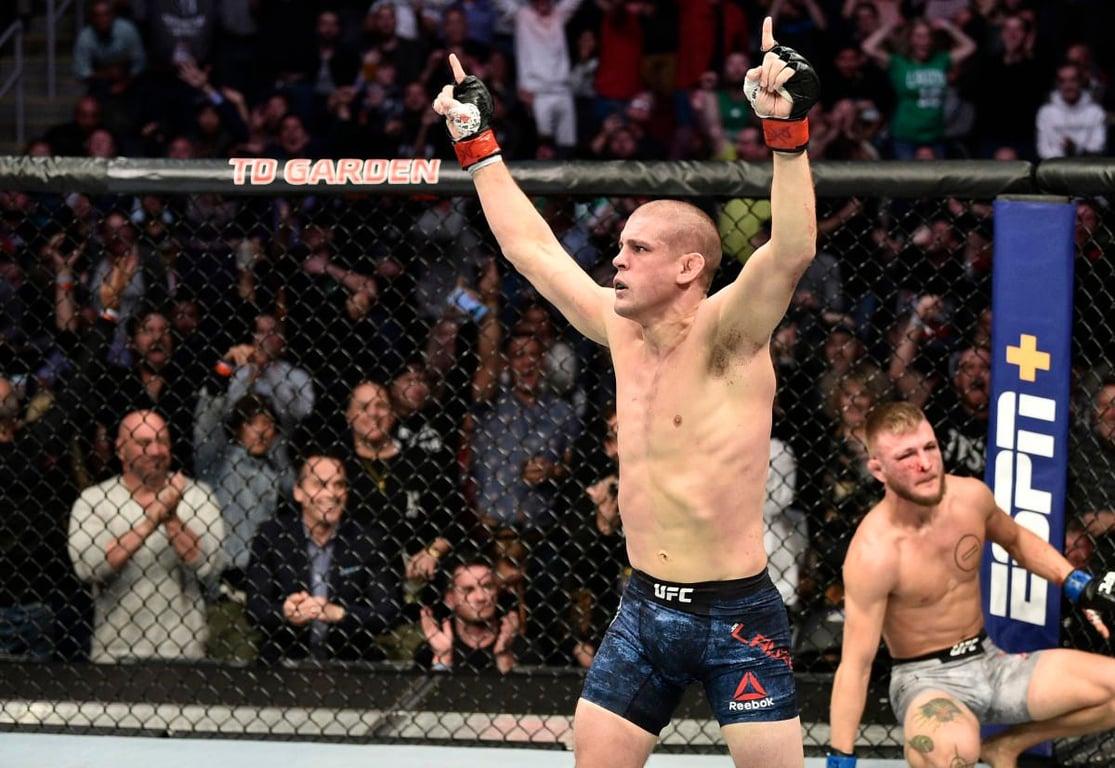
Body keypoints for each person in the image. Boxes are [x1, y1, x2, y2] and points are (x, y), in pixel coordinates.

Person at [432, 17, 819, 766]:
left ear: (686, 269)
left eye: (636, 250)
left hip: (735, 611)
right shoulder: (619, 333)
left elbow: (791, 249)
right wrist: (477, 145)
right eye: (618, 248)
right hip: (643, 608)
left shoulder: (728, 335)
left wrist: (787, 129)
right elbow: (530, 248)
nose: (616, 262)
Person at [827, 402, 1115, 768]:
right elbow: (856, 665)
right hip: (925, 679)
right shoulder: (874, 553)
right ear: (878, 470)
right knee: (956, 751)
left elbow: (1017, 540)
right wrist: (841, 758)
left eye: (929, 447)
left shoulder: (969, 498)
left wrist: (1076, 584)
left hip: (990, 660)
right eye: (906, 455)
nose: (925, 463)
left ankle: (1006, 746)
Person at [67, 410, 224, 663]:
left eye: (162, 441)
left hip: (184, 652)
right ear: (121, 449)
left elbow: (207, 565)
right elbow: (91, 567)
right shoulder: (94, 500)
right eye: (144, 443)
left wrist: (172, 517)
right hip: (115, 652)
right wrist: (151, 520)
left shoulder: (197, 496)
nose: (156, 451)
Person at [246, 454, 400, 663]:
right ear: (298, 492)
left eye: (339, 485)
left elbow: (387, 611)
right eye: (320, 484)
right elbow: (255, 607)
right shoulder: (271, 536)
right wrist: (285, 612)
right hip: (284, 661)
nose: (331, 493)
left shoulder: (367, 542)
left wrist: (340, 614)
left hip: (351, 663)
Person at [415, 553, 524, 673]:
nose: (481, 597)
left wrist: (504, 656)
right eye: (468, 590)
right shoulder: (431, 649)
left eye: (487, 587)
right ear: (450, 599)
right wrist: (443, 658)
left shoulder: (520, 647)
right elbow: (429, 691)